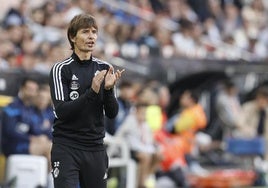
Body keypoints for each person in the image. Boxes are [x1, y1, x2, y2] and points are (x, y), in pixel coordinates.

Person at [49, 13, 124, 188]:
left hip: (95, 147)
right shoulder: (60, 69)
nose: (91, 36)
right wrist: (92, 92)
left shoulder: (105, 68)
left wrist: (107, 90)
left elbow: (112, 114)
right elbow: (62, 111)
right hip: (67, 146)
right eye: (85, 32)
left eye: (94, 32)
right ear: (72, 37)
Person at [1, 77, 51, 159]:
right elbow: (10, 131)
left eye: (34, 90)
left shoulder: (32, 110)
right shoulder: (12, 107)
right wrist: (31, 138)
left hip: (29, 143)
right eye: (29, 89)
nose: (31, 93)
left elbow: (36, 129)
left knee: (54, 147)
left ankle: (50, 172)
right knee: (49, 149)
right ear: (22, 89)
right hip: (13, 146)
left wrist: (42, 137)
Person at [115, 102, 162, 188]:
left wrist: (156, 147)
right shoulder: (130, 120)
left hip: (143, 148)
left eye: (145, 113)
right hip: (129, 150)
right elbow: (120, 135)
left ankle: (145, 177)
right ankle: (140, 184)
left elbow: (149, 140)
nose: (143, 115)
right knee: (145, 157)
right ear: (137, 111)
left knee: (159, 155)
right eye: (142, 112)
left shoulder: (145, 124)